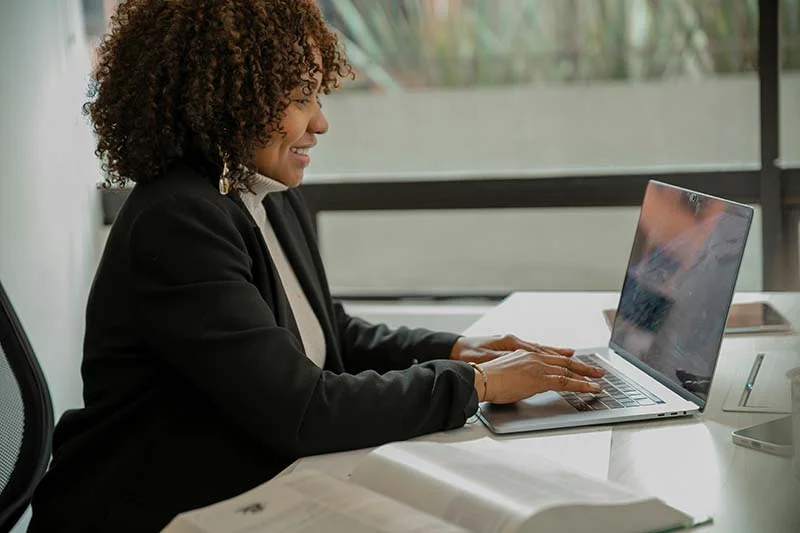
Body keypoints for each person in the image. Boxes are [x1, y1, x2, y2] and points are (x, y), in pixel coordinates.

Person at [27, 1, 603, 531]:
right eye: (300, 98)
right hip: (155, 512)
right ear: (230, 95)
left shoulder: (265, 195)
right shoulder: (177, 223)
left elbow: (328, 335)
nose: (320, 123)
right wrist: (477, 385)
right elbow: (303, 410)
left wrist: (455, 350)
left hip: (250, 486)